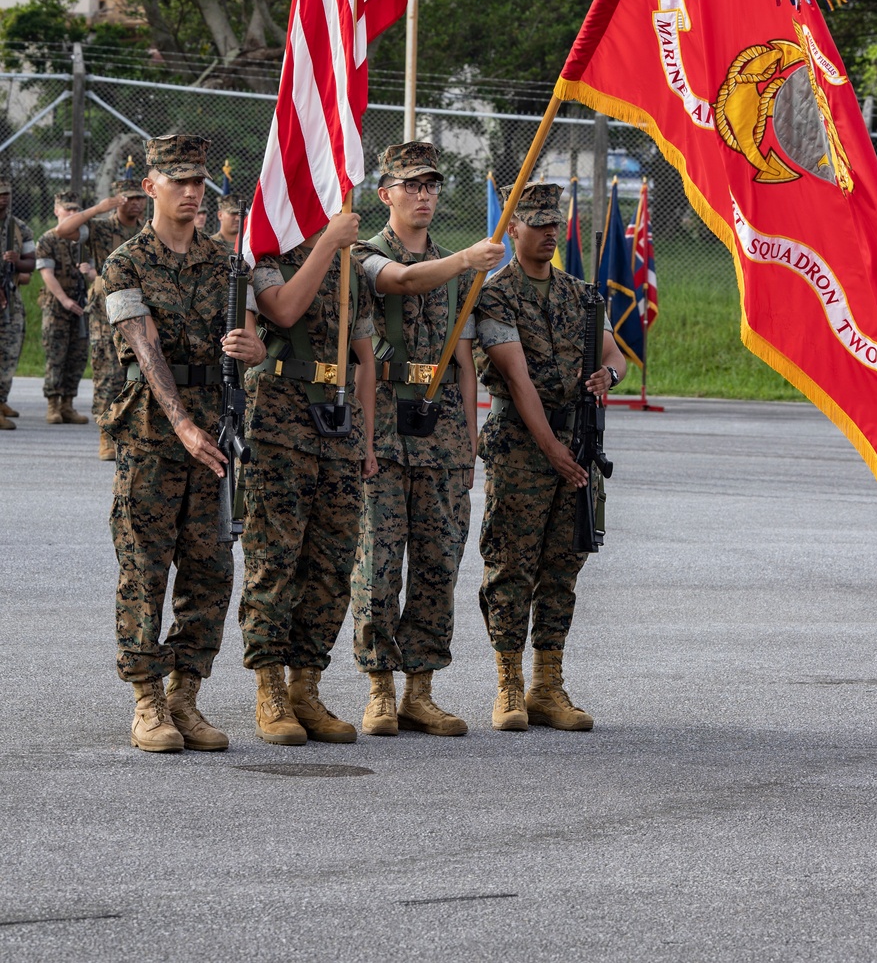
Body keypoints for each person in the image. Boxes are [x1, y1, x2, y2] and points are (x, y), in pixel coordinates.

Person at [102, 135, 266, 754]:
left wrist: (255, 351)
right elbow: (145, 352)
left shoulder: (228, 264)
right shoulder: (126, 263)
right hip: (153, 434)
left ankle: (185, 696)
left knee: (211, 569)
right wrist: (182, 424)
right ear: (151, 188)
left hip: (218, 431)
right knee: (144, 568)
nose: (193, 192)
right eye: (179, 181)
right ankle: (147, 699)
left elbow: (250, 340)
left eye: (198, 181)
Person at [351, 142, 504, 738]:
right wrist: (468, 259)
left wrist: (469, 443)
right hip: (383, 431)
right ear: (385, 194)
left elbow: (464, 362)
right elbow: (404, 282)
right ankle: (379, 688)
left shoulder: (459, 275)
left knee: (439, 563)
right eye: (410, 186)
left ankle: (420, 689)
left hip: (440, 435)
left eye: (432, 186)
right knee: (379, 567)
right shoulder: (365, 256)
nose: (423, 196)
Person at [475, 182, 626, 733]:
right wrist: (552, 451)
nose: (547, 233)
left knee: (563, 565)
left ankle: (548, 682)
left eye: (553, 224)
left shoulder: (581, 296)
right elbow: (516, 379)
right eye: (535, 223)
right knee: (512, 565)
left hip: (577, 443)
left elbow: (616, 354)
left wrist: (608, 374)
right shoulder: (497, 294)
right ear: (512, 229)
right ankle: (509, 683)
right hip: (521, 446)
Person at [240, 210, 378, 746]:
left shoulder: (351, 267)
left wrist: (366, 440)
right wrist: (329, 246)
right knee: (276, 559)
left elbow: (364, 360)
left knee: (331, 563)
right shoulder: (268, 257)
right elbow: (284, 308)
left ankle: (306, 685)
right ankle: (269, 687)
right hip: (280, 424)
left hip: (339, 428)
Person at [53, 172, 149, 459]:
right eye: (129, 198)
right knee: (108, 374)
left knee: (141, 373)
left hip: (140, 309)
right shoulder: (101, 228)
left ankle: (133, 435)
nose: (135, 203)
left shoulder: (147, 231)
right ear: (117, 200)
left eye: (140, 198)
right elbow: (63, 231)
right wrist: (98, 208)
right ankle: (107, 437)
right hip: (105, 314)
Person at [35, 192, 90, 425]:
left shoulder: (82, 240)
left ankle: (68, 404)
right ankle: (53, 404)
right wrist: (64, 299)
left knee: (77, 355)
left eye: (75, 210)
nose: (72, 214)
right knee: (56, 355)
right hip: (56, 306)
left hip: (80, 304)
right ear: (57, 211)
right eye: (67, 210)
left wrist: (89, 271)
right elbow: (46, 274)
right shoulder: (47, 239)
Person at [0, 180, 37, 431]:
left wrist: (17, 261)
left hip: (10, 296)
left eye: (7, 194)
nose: (4, 198)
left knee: (10, 349)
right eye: (0, 194)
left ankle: (1, 400)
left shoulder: (19, 227)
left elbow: (31, 263)